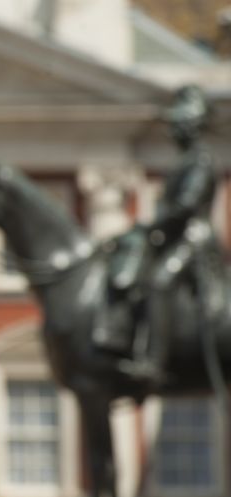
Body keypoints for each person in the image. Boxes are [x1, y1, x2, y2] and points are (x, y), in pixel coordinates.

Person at [102, 84, 219, 384]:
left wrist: (152, 226)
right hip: (174, 236)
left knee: (159, 281)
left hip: (193, 238)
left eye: (178, 124)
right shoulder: (183, 161)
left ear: (191, 126)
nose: (173, 130)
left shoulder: (200, 161)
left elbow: (186, 206)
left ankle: (154, 361)